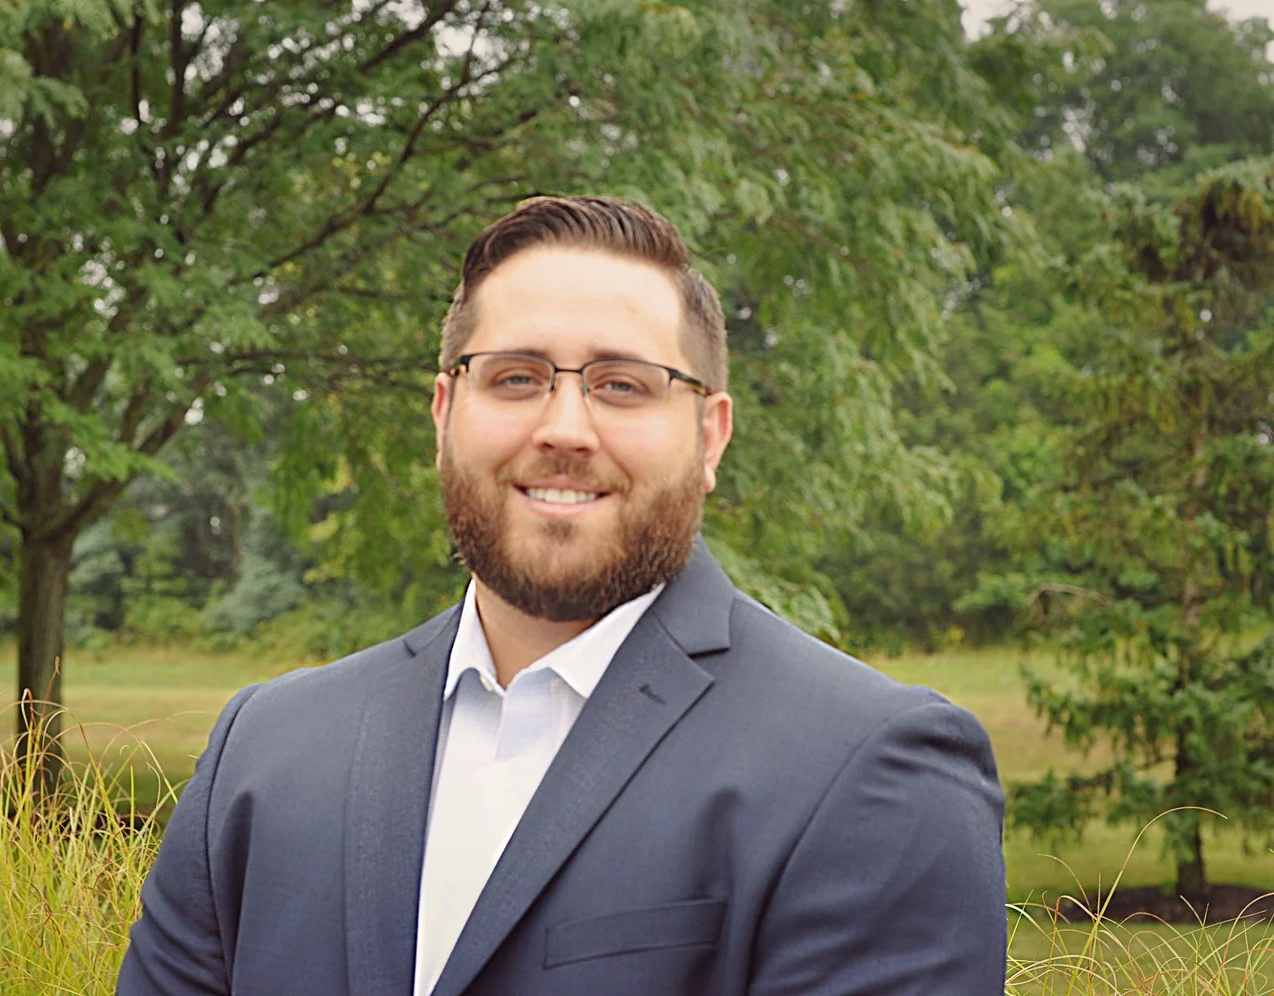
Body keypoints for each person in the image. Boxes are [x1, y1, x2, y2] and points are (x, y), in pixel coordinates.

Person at [118, 196, 1007, 996]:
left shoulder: (874, 771)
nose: (565, 429)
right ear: (443, 414)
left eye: (623, 385)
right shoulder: (263, 751)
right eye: (516, 377)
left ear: (710, 436)